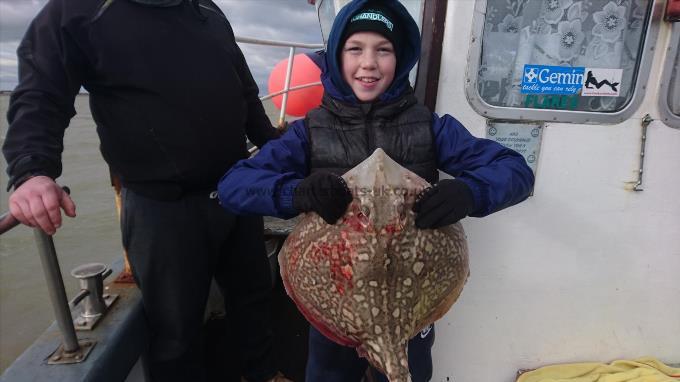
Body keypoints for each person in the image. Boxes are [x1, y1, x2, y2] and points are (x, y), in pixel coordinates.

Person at [217, 0, 535, 381]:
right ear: (336, 56)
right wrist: (296, 193)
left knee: (407, 371)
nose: (368, 62)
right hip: (335, 298)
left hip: (411, 305)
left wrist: (470, 192)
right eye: (355, 49)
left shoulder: (429, 128)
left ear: (399, 60)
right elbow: (234, 185)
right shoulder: (309, 133)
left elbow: (515, 170)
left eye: (383, 50)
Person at [2, 0, 292, 381]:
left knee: (253, 296)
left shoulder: (208, 11)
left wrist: (272, 149)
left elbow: (245, 93)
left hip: (237, 190)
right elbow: (41, 91)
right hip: (163, 207)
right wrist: (32, 170)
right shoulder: (81, 10)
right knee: (176, 329)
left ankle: (263, 374)